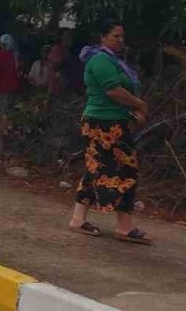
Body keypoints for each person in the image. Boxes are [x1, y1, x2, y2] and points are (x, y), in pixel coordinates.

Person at [68, 19, 152, 245]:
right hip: (102, 124)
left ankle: (78, 218)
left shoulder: (113, 60)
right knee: (126, 169)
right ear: (103, 37)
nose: (120, 41)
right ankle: (124, 225)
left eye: (122, 37)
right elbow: (113, 90)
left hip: (111, 121)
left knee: (95, 167)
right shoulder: (100, 60)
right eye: (116, 36)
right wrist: (139, 104)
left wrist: (133, 109)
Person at [48, 29, 84, 96]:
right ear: (61, 38)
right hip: (57, 89)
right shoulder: (56, 49)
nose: (69, 39)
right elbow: (55, 66)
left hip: (69, 89)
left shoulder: (68, 51)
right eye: (67, 37)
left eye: (70, 37)